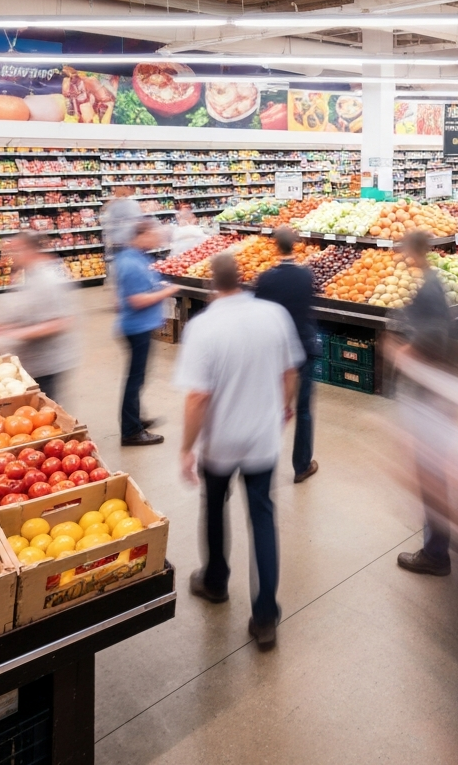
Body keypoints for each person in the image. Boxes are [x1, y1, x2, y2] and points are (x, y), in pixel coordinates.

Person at [177, 252, 304, 650]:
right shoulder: (273, 315)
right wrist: (284, 407)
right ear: (243, 279)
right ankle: (265, 616)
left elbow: (197, 398)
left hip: (221, 441)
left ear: (211, 285)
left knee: (215, 507)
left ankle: (215, 581)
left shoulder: (202, 327)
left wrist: (186, 448)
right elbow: (290, 372)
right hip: (262, 437)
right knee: (262, 518)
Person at [392, 231, 458, 577]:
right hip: (440, 387)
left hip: (431, 392)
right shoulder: (433, 280)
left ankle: (436, 553)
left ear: (414, 251)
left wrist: (403, 350)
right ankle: (450, 534)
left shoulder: (429, 287)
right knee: (438, 469)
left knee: (430, 473)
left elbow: (434, 335)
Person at [254, 227, 320, 483]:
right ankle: (302, 466)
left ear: (275, 247)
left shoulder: (265, 279)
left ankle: (262, 461)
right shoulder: (305, 275)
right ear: (295, 245)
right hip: (303, 345)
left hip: (276, 350)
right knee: (303, 409)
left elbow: (259, 312)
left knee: (272, 407)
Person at [113, 219, 179, 446]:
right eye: (154, 235)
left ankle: (136, 419)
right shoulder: (130, 262)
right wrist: (167, 292)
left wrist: (159, 286)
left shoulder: (137, 256)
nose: (158, 239)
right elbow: (137, 300)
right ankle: (131, 431)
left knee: (138, 378)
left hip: (140, 326)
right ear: (142, 235)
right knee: (135, 380)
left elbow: (123, 297)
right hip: (136, 328)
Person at [0, 232, 78, 402]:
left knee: (46, 409)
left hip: (48, 364)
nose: (10, 256)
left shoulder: (47, 279)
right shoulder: (28, 275)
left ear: (29, 250)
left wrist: (15, 334)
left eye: (15, 251)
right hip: (32, 362)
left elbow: (60, 322)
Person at [101, 185, 143, 261]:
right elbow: (138, 221)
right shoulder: (133, 204)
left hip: (116, 242)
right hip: (129, 242)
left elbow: (106, 224)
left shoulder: (111, 205)